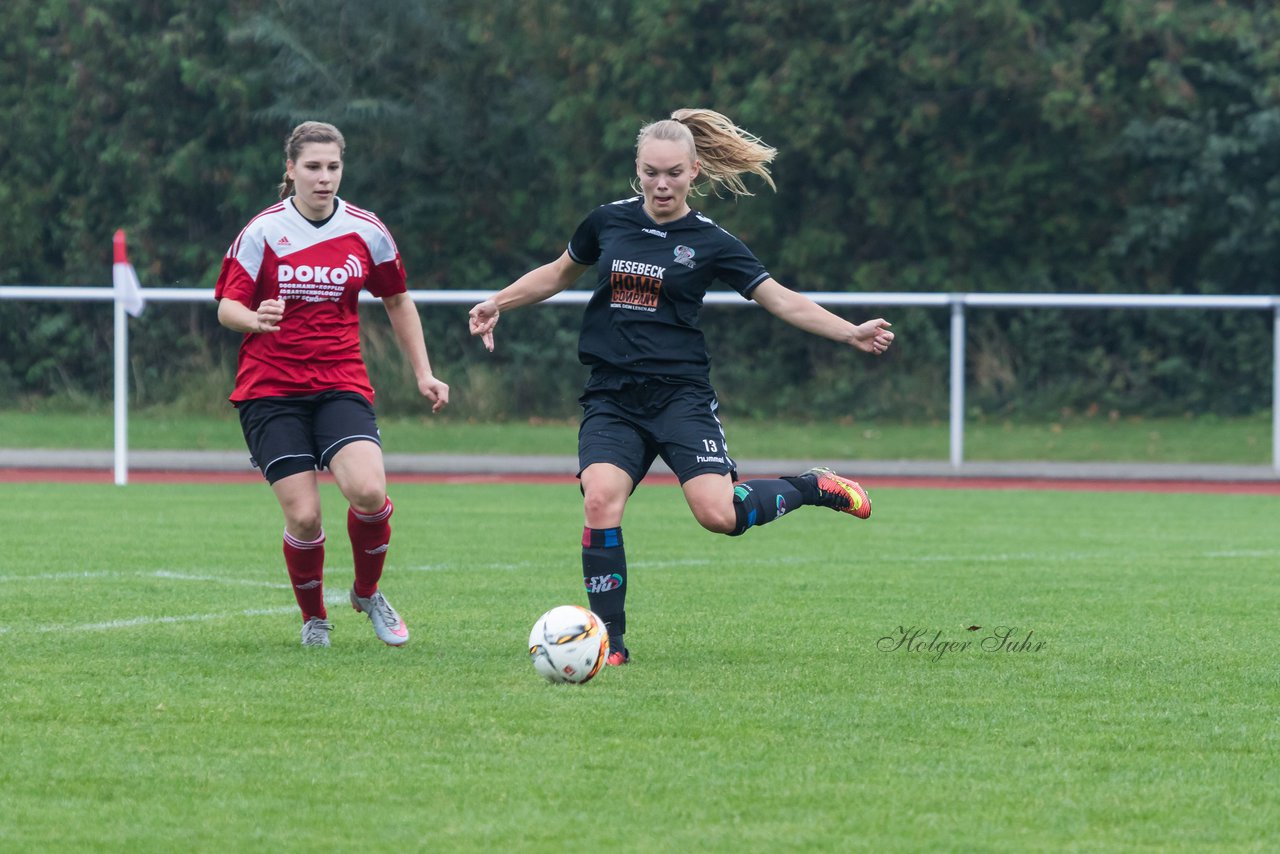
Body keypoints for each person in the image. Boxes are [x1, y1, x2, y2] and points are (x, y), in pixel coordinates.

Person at [468, 108, 894, 665]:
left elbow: (780, 298)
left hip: (679, 397)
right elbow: (555, 273)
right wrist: (496, 302)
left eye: (673, 173)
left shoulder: (711, 241)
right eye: (650, 172)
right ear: (637, 171)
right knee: (599, 499)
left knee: (719, 516)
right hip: (613, 396)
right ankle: (610, 644)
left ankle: (812, 486)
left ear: (695, 171)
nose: (661, 184)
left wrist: (849, 331)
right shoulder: (607, 222)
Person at [215, 120, 449, 648]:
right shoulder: (262, 231)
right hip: (270, 390)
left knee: (369, 492)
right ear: (291, 170)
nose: (324, 178)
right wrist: (254, 319)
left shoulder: (366, 230)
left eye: (333, 167)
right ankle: (315, 619)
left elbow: (397, 300)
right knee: (304, 515)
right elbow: (227, 306)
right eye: (313, 167)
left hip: (340, 382)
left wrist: (423, 373)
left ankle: (367, 594)